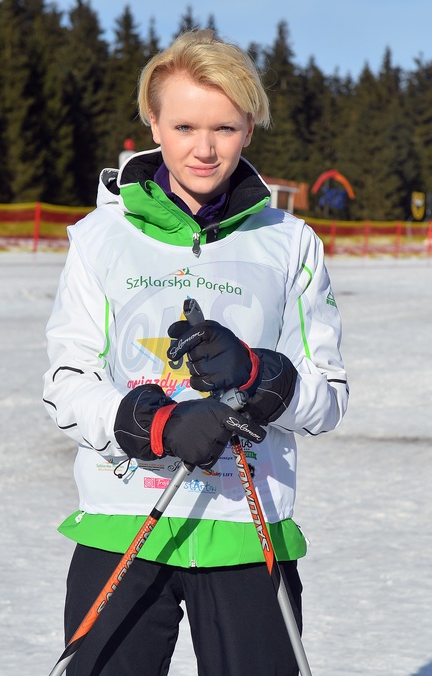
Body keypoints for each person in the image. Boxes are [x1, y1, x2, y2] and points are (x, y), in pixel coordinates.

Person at [43, 29, 349, 676]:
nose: (204, 149)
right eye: (183, 126)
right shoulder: (100, 238)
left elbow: (328, 399)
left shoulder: (290, 242)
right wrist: (156, 425)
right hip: (125, 522)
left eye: (225, 128)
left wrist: (260, 375)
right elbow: (67, 383)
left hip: (247, 529)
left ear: (249, 128)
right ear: (153, 123)